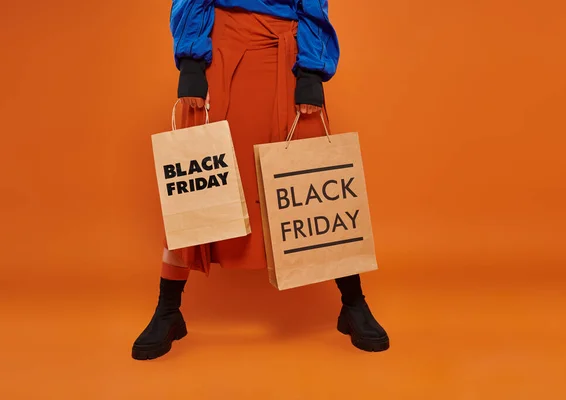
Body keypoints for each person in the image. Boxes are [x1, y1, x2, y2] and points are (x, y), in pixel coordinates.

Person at [132, 0, 389, 360]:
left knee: (313, 177)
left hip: (286, 52)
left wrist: (311, 73)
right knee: (199, 176)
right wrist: (192, 62)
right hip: (219, 48)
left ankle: (353, 303)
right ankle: (168, 310)